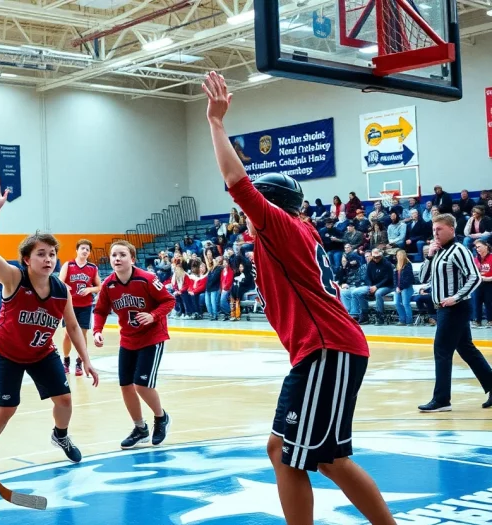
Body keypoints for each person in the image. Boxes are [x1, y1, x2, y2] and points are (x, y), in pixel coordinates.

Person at [202, 72, 396, 525]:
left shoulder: (282, 228)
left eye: (249, 209)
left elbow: (235, 179)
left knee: (299, 456)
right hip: (327, 349)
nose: (242, 217)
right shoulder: (287, 236)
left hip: (327, 348)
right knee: (306, 454)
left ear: (268, 204)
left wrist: (215, 122)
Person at [0, 175, 99, 481]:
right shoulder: (14, 279)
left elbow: (71, 325)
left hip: (43, 353)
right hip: (8, 353)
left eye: (52, 254)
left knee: (65, 400)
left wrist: (86, 359)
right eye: (41, 254)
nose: (48, 259)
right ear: (27, 259)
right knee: (8, 408)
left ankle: (60, 435)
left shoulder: (61, 290)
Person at [93, 240, 175, 449]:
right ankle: (140, 428)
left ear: (132, 259)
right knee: (126, 386)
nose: (117, 258)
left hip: (152, 337)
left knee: (141, 384)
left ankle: (161, 417)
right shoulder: (108, 285)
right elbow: (101, 310)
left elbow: (169, 301)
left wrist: (153, 315)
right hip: (128, 339)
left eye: (122, 254)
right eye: (114, 255)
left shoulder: (147, 279)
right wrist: (97, 331)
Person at [417, 214, 492, 412]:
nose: (435, 233)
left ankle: (442, 400)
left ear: (451, 228)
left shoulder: (459, 250)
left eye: (439, 229)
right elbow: (424, 277)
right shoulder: (438, 251)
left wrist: (456, 297)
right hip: (444, 308)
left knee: (441, 350)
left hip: (454, 308)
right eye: (433, 230)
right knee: (467, 349)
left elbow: (474, 277)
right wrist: (429, 255)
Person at [59, 239, 101, 376]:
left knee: (82, 335)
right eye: (82, 248)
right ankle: (66, 361)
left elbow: (99, 287)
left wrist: (89, 290)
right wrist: (65, 286)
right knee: (67, 334)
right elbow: (59, 281)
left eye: (87, 249)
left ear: (89, 253)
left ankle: (79, 362)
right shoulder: (68, 265)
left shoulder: (93, 268)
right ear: (77, 250)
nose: (85, 251)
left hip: (85, 306)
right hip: (69, 305)